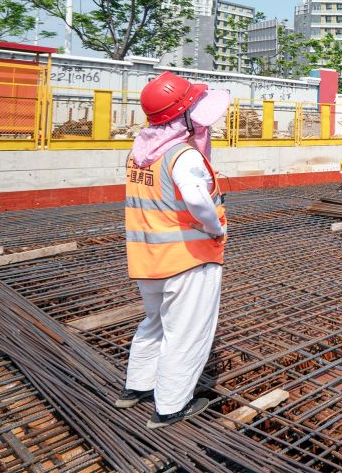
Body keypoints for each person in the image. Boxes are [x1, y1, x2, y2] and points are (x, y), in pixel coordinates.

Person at [119, 71, 229, 429]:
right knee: (187, 332)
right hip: (187, 260)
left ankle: (137, 386)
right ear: (181, 116)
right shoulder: (183, 156)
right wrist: (215, 227)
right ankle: (171, 406)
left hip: (148, 259)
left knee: (154, 323)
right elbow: (197, 200)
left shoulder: (140, 153)